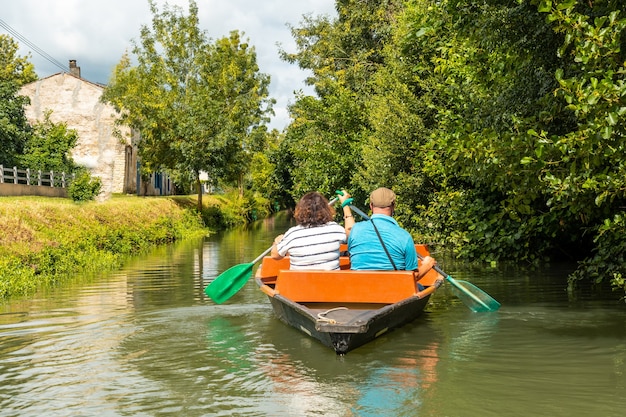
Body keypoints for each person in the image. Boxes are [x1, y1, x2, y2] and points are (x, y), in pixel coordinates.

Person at [344, 187, 435, 278]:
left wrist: (345, 206)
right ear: (393, 206)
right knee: (419, 287)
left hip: (359, 289)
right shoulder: (404, 236)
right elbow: (411, 278)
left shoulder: (355, 230)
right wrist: (427, 265)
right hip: (392, 290)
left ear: (371, 206)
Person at [271, 191, 355, 270]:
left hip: (300, 285)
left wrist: (277, 242)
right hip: (330, 284)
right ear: (326, 210)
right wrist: (345, 205)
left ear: (300, 211)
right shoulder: (334, 229)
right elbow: (353, 235)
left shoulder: (292, 234)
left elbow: (275, 255)